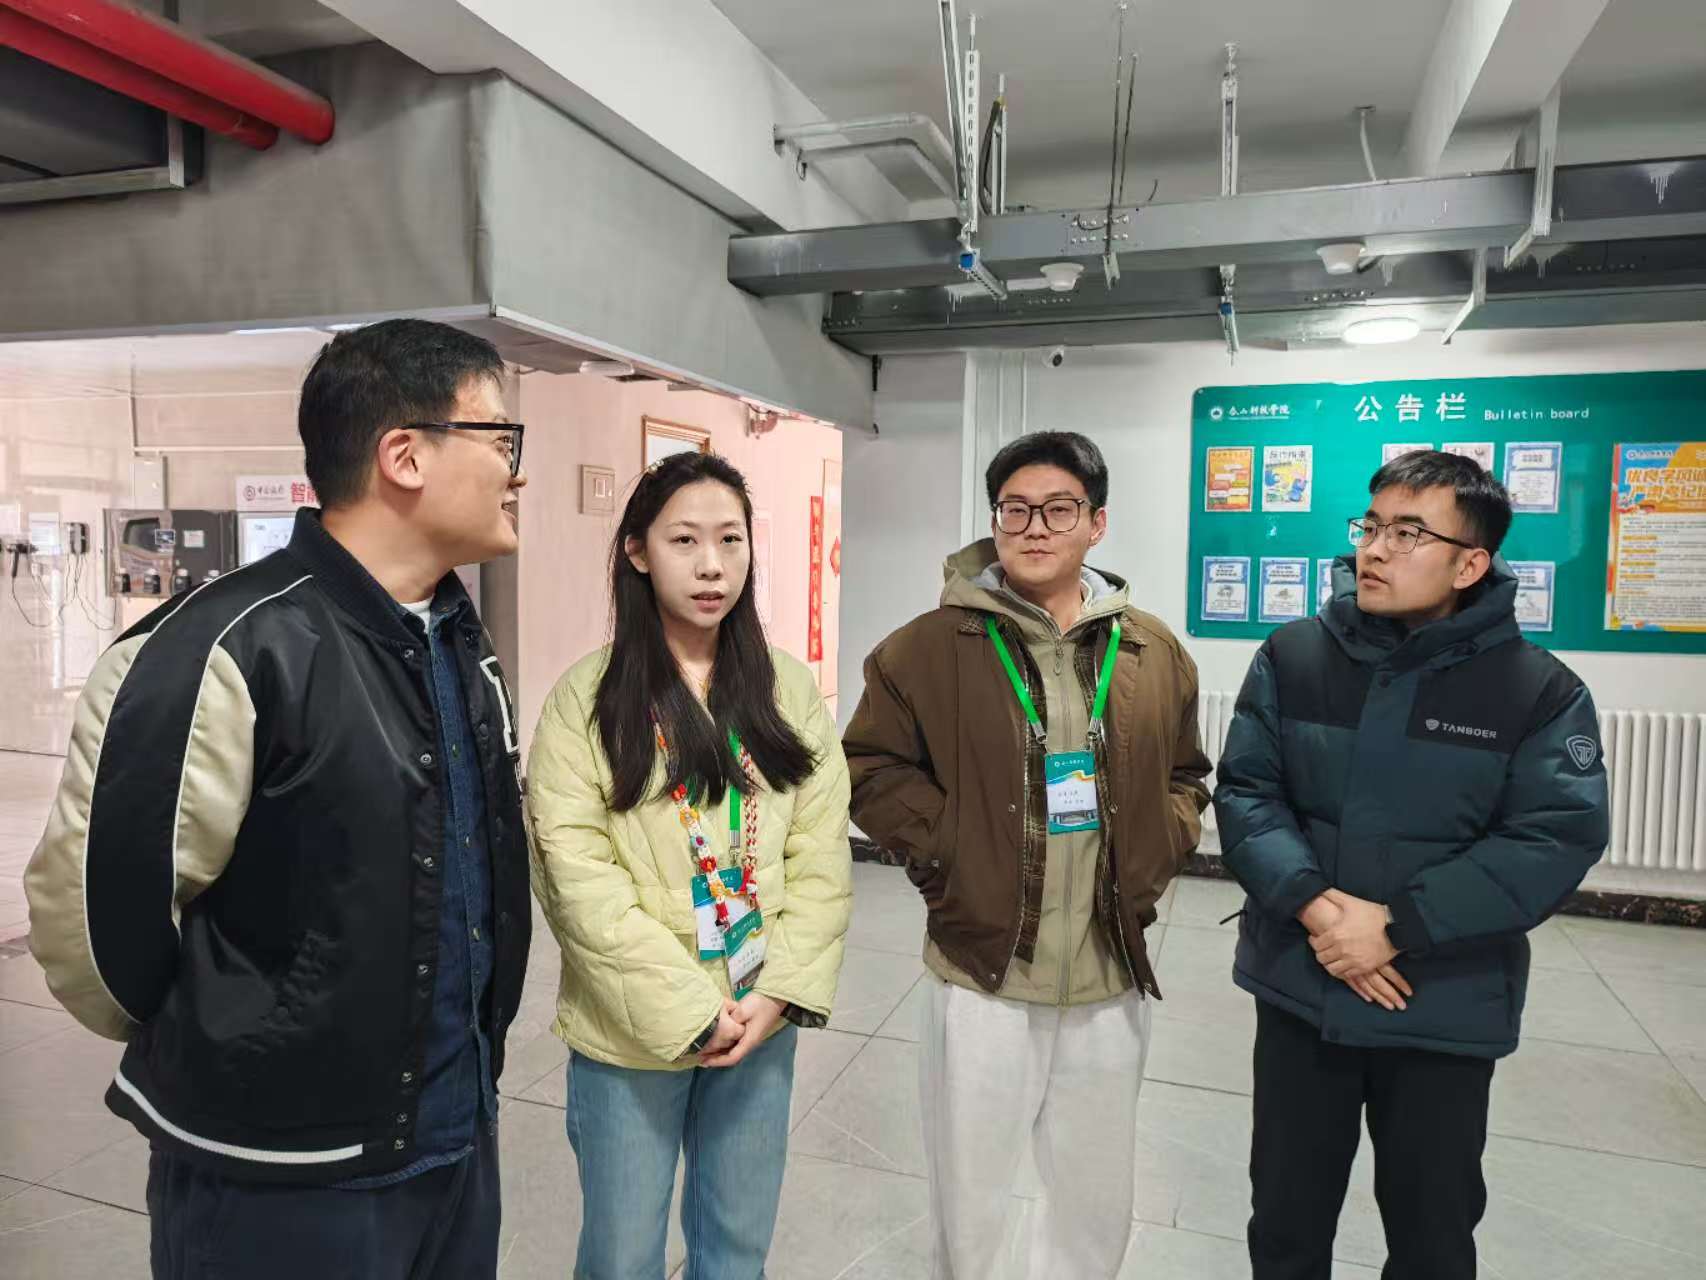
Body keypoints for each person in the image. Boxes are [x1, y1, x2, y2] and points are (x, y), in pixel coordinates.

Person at [24, 318, 534, 1277]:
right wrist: (235, 1043)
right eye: (500, 438)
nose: (518, 471)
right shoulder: (224, 647)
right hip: (277, 1178)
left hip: (450, 1136)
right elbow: (94, 933)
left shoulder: (456, 639)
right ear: (404, 456)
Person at [1213, 450, 1610, 1280]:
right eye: (1371, 527)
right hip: (1303, 985)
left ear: (1471, 564)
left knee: (1433, 1235)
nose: (1374, 550)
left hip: (1441, 1002)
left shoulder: (1538, 690)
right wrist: (1321, 910)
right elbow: (1248, 793)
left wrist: (1397, 926)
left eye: (1408, 534)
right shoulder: (1292, 656)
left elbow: (1553, 836)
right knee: (1284, 1221)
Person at [843, 430, 1212, 1280]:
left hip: (1109, 971)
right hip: (984, 971)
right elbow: (872, 769)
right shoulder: (926, 648)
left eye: (1059, 509)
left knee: (1094, 1201)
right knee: (970, 1201)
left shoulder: (1153, 651)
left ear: (1097, 522)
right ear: (995, 521)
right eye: (1015, 509)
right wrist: (951, 854)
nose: (1035, 527)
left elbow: (1186, 775)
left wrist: (1159, 847)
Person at [526, 449, 852, 1279]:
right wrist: (689, 1012)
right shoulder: (585, 702)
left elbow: (821, 859)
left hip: (760, 1013)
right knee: (623, 1256)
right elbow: (576, 881)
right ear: (637, 551)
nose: (712, 565)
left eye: (730, 540)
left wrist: (775, 995)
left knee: (737, 1248)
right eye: (684, 540)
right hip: (630, 1032)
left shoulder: (787, 691)